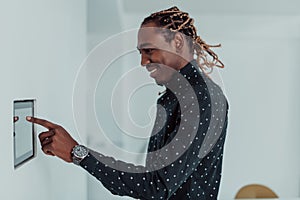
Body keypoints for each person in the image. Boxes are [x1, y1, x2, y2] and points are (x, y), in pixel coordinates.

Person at [27, 6, 229, 200]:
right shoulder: (177, 95)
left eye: (149, 50)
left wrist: (77, 153)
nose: (143, 62)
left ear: (177, 41)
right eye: (140, 53)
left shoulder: (203, 97)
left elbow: (157, 186)